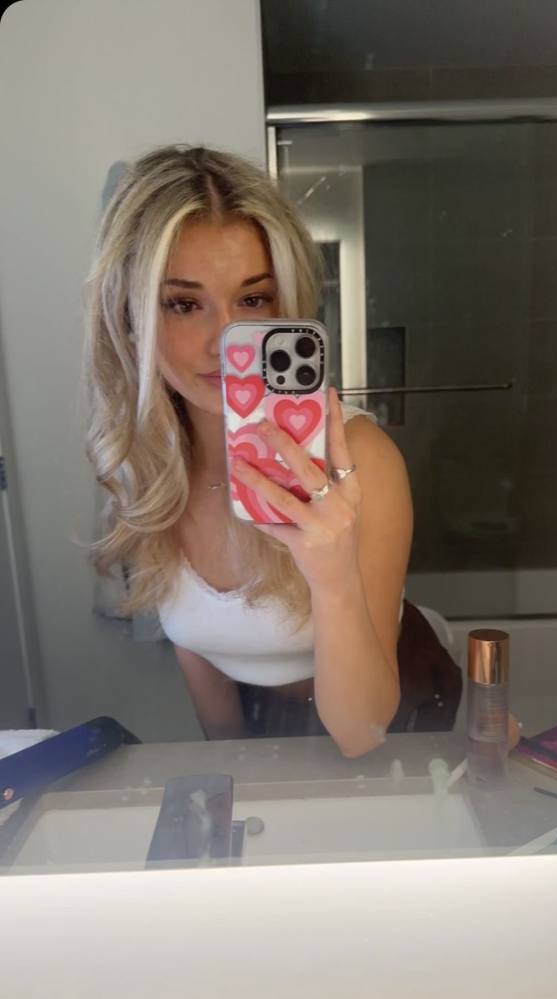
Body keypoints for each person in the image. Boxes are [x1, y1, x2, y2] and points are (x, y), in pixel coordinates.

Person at [83, 144, 463, 758]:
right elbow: (194, 645)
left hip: (390, 717)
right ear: (130, 318)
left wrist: (333, 576)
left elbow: (361, 733)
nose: (224, 341)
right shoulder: (144, 462)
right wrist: (233, 760)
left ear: (287, 303)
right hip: (263, 724)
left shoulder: (363, 462)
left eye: (253, 300)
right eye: (184, 304)